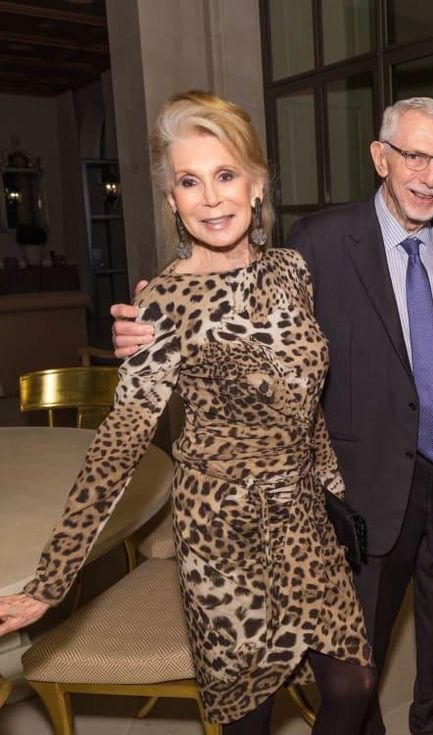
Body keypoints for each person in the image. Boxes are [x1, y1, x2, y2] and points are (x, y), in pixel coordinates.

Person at [0, 90, 376, 735]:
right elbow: (119, 443)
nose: (211, 197)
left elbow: (305, 397)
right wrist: (52, 579)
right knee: (248, 715)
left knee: (354, 684)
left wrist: (332, 492)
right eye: (189, 182)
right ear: (172, 201)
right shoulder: (161, 304)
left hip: (303, 519)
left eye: (226, 175)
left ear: (257, 186)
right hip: (220, 529)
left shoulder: (292, 271)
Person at [112, 96, 433, 735]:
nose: (429, 175)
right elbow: (252, 316)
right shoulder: (319, 242)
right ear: (380, 158)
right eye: (414, 155)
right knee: (356, 661)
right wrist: (151, 321)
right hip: (364, 484)